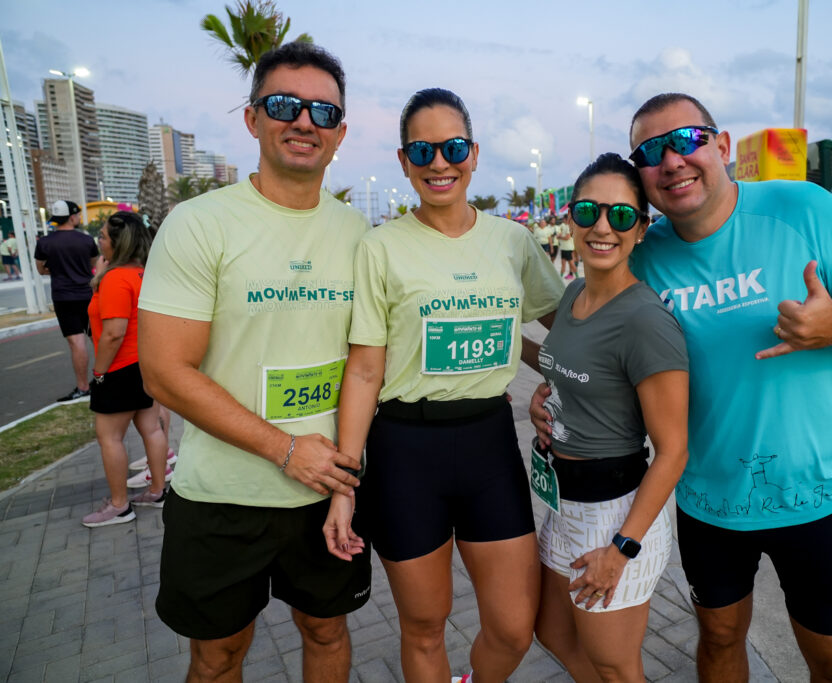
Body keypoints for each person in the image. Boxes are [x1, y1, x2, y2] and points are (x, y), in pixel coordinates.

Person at [533, 93, 832, 682]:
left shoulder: (801, 208)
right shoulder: (642, 254)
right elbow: (603, 349)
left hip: (814, 495)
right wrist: (557, 398)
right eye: (651, 152)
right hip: (707, 503)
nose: (673, 160)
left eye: (686, 140)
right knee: (718, 638)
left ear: (722, 146)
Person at [138, 42, 372, 681]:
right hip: (223, 495)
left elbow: (373, 363)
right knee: (218, 656)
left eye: (323, 111)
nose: (304, 121)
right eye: (284, 105)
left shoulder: (359, 236)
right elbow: (164, 372)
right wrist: (285, 450)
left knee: (326, 633)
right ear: (252, 118)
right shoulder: (199, 224)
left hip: (329, 491)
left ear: (340, 132)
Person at [323, 87, 564, 683]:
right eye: (423, 150)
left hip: (487, 444)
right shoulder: (380, 248)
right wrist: (343, 485)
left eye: (453, 147)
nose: (439, 162)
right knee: (425, 628)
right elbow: (364, 369)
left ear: (474, 154)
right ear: (404, 161)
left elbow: (564, 330)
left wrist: (553, 372)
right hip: (405, 453)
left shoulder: (512, 241)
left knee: (513, 627)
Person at [530, 153, 689, 682]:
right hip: (562, 501)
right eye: (589, 211)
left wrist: (622, 549)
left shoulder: (645, 320)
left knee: (615, 665)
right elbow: (571, 371)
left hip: (613, 513)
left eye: (621, 215)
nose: (602, 226)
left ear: (641, 230)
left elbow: (673, 450)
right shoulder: (575, 293)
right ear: (571, 217)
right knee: (553, 634)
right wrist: (544, 400)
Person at [81, 211, 168, 527]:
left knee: (109, 437)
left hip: (119, 368)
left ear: (117, 244)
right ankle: (157, 491)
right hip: (143, 364)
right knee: (152, 428)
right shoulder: (144, 274)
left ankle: (119, 505)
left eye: (102, 236)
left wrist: (99, 372)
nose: (98, 241)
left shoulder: (117, 279)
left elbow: (114, 332)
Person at [34, 200, 98, 401]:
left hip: (63, 296)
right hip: (87, 295)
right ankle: (105, 379)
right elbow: (95, 266)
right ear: (72, 217)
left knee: (76, 342)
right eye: (77, 215)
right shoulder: (86, 241)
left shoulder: (44, 242)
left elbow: (41, 269)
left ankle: (82, 387)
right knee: (96, 338)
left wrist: (58, 270)